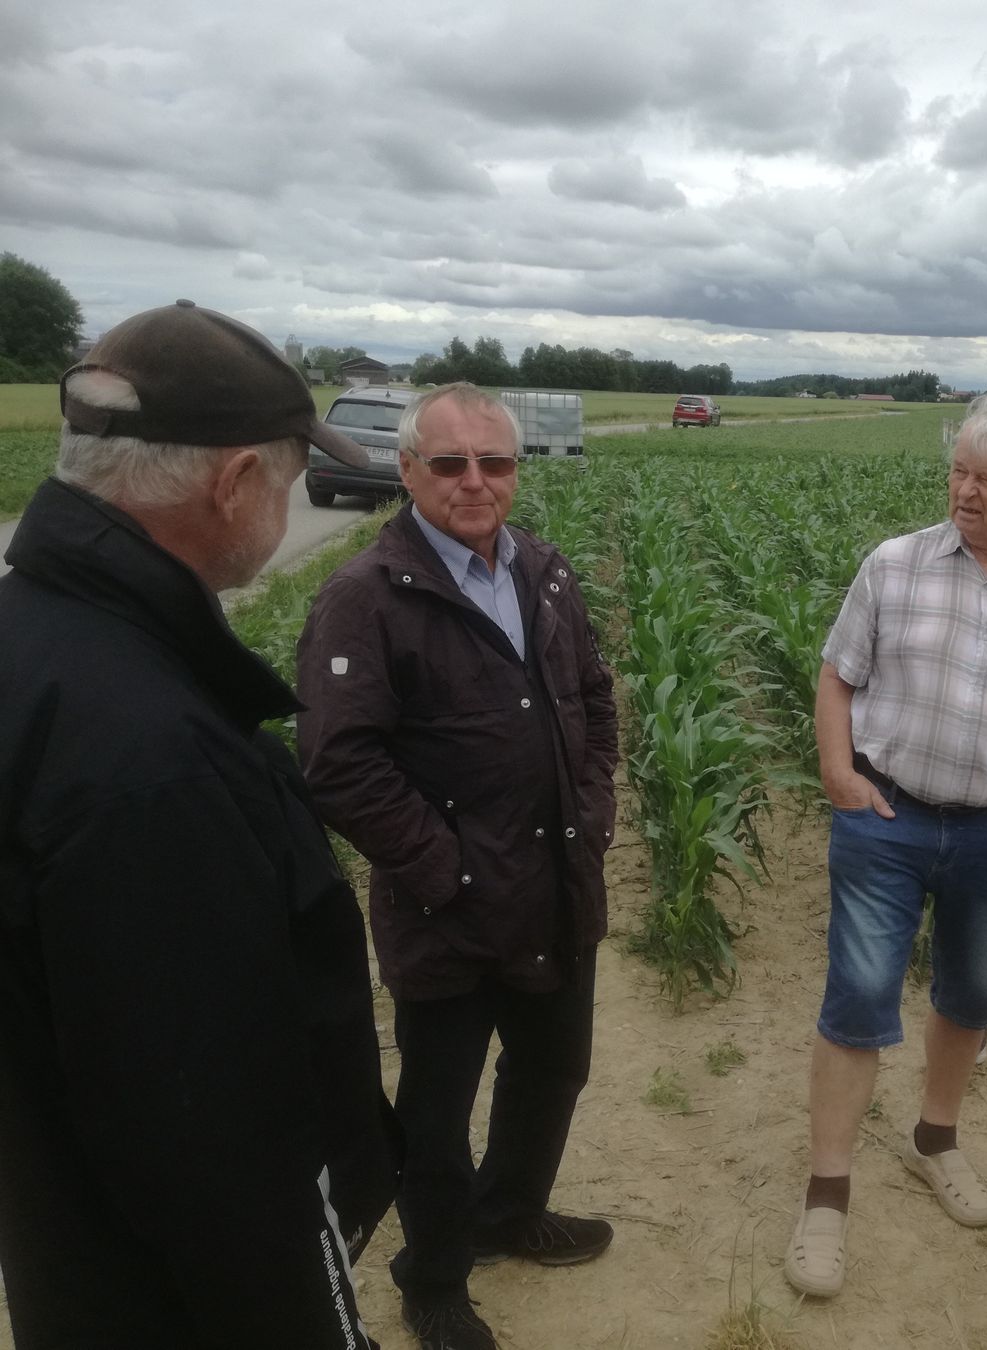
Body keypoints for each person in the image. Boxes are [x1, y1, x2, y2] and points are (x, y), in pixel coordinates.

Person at [0, 300, 397, 1348]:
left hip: (65, 1242)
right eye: (287, 476)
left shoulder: (30, 644)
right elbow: (221, 1149)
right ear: (233, 488)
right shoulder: (156, 761)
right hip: (166, 1300)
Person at [297, 382, 619, 1350]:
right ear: (407, 471)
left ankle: (508, 1213)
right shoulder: (366, 598)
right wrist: (448, 872)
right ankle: (433, 1275)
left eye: (496, 462)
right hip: (450, 911)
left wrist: (592, 816)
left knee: (553, 1068)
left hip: (557, 887)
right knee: (436, 1112)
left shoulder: (544, 573)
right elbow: (338, 765)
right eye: (450, 463)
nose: (475, 482)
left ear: (517, 471)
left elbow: (594, 702)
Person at [784, 389, 987, 1299]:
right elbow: (836, 676)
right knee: (856, 999)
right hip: (885, 820)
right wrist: (839, 775)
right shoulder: (894, 566)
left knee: (970, 998)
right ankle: (826, 1193)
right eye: (957, 472)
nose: (964, 492)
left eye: (985, 478)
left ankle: (936, 1139)